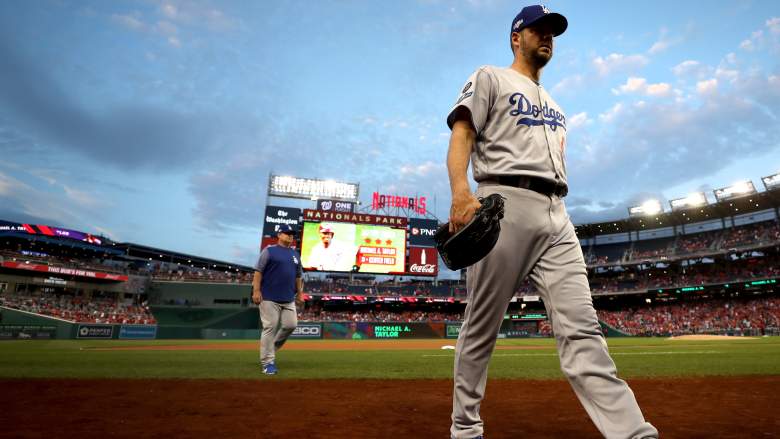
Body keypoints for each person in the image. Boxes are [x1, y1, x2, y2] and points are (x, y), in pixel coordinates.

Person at [445, 5, 658, 439]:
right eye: (537, 30)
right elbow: (462, 134)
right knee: (482, 325)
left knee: (583, 328)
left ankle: (632, 432)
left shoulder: (558, 108)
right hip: (503, 202)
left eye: (552, 32)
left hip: (558, 214)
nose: (547, 37)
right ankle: (465, 429)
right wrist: (461, 193)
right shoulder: (490, 77)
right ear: (515, 37)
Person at [252, 224, 304, 375]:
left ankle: (271, 348)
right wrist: (256, 290)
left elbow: (298, 276)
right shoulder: (269, 251)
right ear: (279, 235)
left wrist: (300, 293)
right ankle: (267, 363)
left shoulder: (295, 254)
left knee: (291, 324)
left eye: (292, 234)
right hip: (269, 297)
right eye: (287, 233)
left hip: (288, 298)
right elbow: (258, 272)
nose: (290, 235)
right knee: (270, 327)